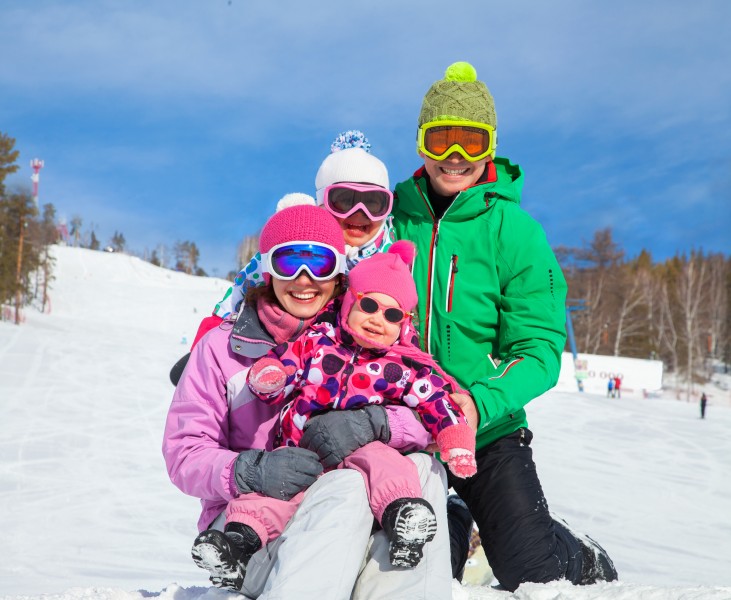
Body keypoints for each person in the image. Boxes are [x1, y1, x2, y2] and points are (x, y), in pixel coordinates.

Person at [390, 61, 618, 591]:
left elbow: (539, 349)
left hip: (486, 430)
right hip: (399, 428)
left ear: (489, 146)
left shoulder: (514, 231)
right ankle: (456, 522)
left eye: (470, 142)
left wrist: (479, 402)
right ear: (421, 142)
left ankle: (576, 553)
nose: (454, 156)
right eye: (441, 138)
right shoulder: (390, 218)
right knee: (407, 571)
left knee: (531, 574)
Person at [163, 202, 453, 599]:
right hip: (251, 528)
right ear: (267, 270)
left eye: (318, 264)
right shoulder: (221, 349)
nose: (304, 280)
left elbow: (430, 404)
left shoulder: (368, 329)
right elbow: (184, 453)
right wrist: (251, 470)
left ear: (338, 273)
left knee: (423, 469)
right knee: (348, 485)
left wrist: (377, 423)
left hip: (347, 523)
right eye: (289, 262)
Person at [210, 241, 476, 570]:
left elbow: (434, 398)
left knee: (386, 462)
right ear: (349, 302)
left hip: (359, 449)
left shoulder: (399, 366)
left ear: (403, 324)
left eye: (392, 314)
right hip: (302, 446)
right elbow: (287, 362)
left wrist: (456, 438)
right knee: (274, 490)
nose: (379, 319)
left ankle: (404, 517)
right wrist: (271, 376)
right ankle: (237, 542)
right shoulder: (319, 341)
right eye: (369, 306)